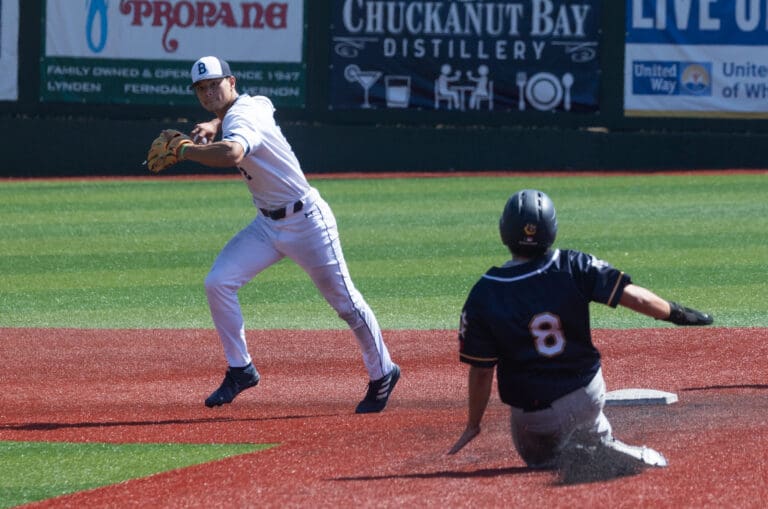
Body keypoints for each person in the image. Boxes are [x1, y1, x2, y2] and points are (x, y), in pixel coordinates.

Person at [147, 56, 399, 413]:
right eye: (201, 88)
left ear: (231, 82)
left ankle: (384, 370)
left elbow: (234, 152)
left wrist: (188, 150)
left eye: (214, 84)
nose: (208, 91)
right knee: (218, 282)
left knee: (346, 304)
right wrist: (215, 121)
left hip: (308, 223)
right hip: (268, 225)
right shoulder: (253, 104)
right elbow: (259, 107)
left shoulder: (243, 116)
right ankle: (241, 369)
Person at [448, 189, 713, 474]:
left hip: (531, 418)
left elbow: (481, 372)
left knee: (540, 460)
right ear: (551, 229)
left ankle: (571, 451)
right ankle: (601, 441)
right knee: (586, 434)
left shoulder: (485, 292)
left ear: (504, 231)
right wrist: (676, 312)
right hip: (584, 397)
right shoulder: (572, 265)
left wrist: (473, 424)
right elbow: (634, 297)